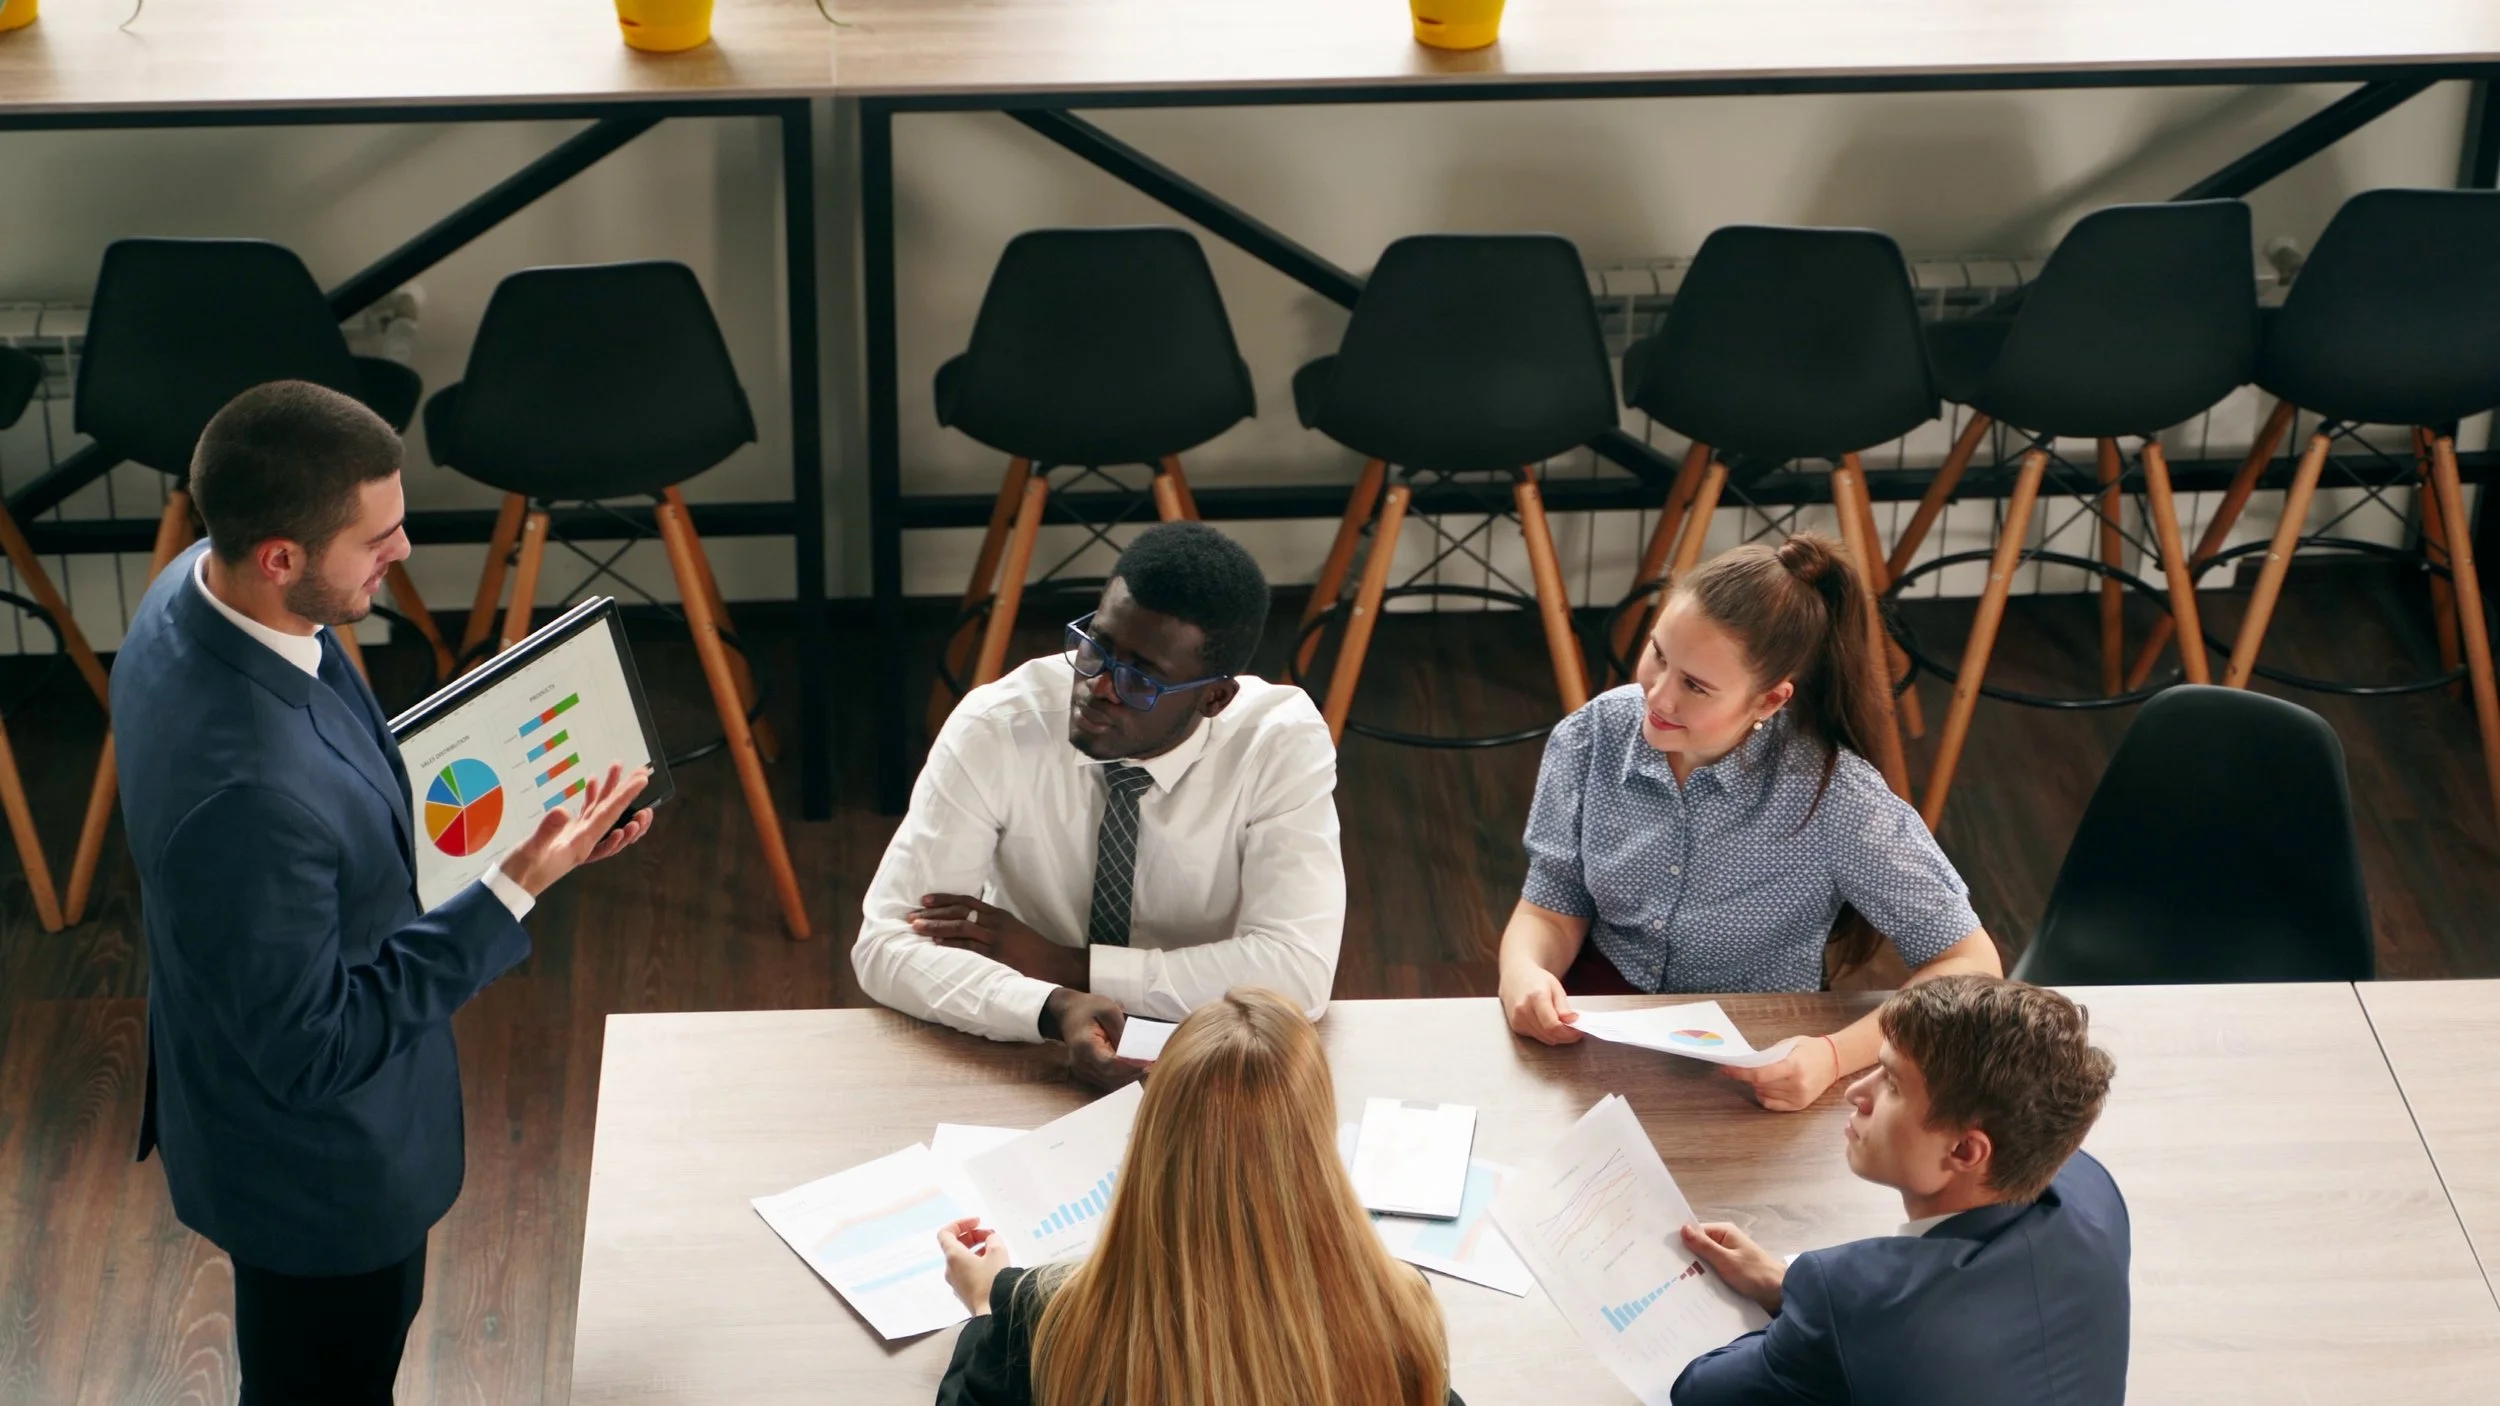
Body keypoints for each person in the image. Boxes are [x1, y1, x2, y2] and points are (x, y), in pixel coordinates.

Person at [115, 381, 653, 1405]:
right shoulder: (247, 792)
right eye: (378, 539)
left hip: (236, 1079)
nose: (401, 554)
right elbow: (312, 1044)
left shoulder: (193, 589)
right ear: (282, 555)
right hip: (316, 1180)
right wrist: (513, 885)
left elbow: (337, 780)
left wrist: (523, 811)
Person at [1497, 535, 2003, 1110]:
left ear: (1769, 700)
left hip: (1754, 1057)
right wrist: (1522, 972)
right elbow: (1550, 906)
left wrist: (1834, 1055)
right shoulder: (1591, 737)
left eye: (1695, 685)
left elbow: (1970, 964)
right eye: (1659, 654)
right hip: (1593, 1028)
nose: (1656, 695)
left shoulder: (1837, 798)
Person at [853, 522, 1342, 1087]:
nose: (1100, 686)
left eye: (1142, 678)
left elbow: (1297, 973)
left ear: (1214, 697)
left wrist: (1069, 964)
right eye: (1097, 647)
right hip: (1025, 1046)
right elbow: (886, 946)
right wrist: (1055, 1005)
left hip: (1214, 1053)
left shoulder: (1278, 742)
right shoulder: (997, 726)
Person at [933, 987, 1462, 1406]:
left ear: (1154, 1137)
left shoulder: (1046, 1319)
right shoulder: (1397, 1316)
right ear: (1316, 1147)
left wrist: (985, 1309)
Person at [1671, 974, 2128, 1405]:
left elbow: (1697, 1390)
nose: (1856, 1093)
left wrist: (1815, 1316)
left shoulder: (1857, 1301)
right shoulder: (2091, 1189)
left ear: (1966, 1150)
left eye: (1891, 1082)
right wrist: (1786, 1286)